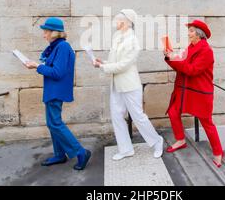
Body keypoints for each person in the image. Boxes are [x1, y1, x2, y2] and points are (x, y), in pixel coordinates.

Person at [93, 9, 164, 161]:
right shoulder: (117, 36)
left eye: (117, 20)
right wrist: (103, 62)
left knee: (138, 116)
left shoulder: (133, 42)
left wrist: (103, 68)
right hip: (116, 84)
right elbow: (114, 62)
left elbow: (124, 65)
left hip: (130, 85)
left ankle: (157, 142)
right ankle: (125, 149)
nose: (115, 23)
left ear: (125, 22)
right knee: (117, 116)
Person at [25, 17, 91, 170]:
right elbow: (53, 68)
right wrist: (38, 65)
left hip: (56, 90)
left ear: (54, 33)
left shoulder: (62, 47)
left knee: (54, 123)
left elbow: (57, 72)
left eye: (46, 32)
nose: (44, 35)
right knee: (52, 123)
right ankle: (60, 154)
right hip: (52, 90)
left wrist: (37, 66)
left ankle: (80, 152)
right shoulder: (57, 47)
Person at [163, 19, 224, 167]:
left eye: (191, 30)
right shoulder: (189, 48)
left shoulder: (207, 51)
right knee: (173, 112)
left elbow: (192, 70)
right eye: (189, 30)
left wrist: (174, 59)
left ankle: (218, 152)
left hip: (199, 92)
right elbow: (180, 65)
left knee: (206, 122)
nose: (188, 33)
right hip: (184, 90)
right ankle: (181, 140)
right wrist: (169, 56)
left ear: (199, 34)